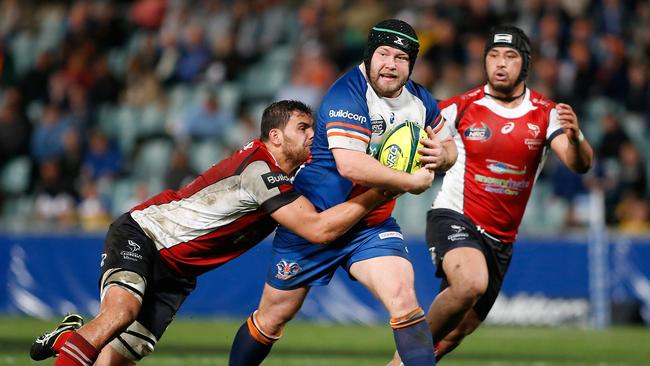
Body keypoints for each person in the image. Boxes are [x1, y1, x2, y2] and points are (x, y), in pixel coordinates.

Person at [30, 100, 405, 366]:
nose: (312, 135)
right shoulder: (261, 171)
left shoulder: (287, 177)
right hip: (145, 235)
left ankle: (68, 337)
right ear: (275, 136)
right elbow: (318, 230)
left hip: (177, 273)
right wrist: (384, 189)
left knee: (112, 361)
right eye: (302, 128)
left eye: (312, 128)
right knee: (122, 312)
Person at [228, 19, 457, 366]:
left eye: (400, 57)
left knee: (403, 297)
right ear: (369, 56)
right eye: (383, 54)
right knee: (272, 318)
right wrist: (410, 182)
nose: (390, 64)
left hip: (370, 226)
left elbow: (449, 146)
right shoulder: (346, 92)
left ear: (411, 64)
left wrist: (443, 156)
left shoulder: (421, 100)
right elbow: (351, 164)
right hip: (313, 222)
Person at [389, 25, 594, 365]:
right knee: (470, 283)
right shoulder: (461, 107)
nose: (500, 64)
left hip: (501, 239)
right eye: (493, 56)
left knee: (458, 330)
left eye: (510, 57)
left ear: (525, 64)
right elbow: (419, 141)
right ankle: (403, 357)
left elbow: (579, 164)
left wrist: (575, 140)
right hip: (455, 216)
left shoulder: (547, 114)